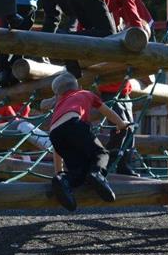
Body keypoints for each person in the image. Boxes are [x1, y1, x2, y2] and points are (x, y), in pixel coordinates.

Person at [43, 73, 130, 211]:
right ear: (77, 86)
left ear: (58, 94)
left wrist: (59, 172)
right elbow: (106, 111)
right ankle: (97, 174)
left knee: (79, 173)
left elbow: (57, 149)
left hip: (54, 133)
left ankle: (63, 181)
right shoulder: (86, 93)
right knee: (101, 153)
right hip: (74, 124)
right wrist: (120, 123)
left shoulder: (59, 106)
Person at [63, 0, 150, 78]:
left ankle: (72, 62)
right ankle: (64, 35)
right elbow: (133, 15)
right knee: (108, 33)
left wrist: (76, 34)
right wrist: (139, 37)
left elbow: (82, 27)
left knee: (92, 32)